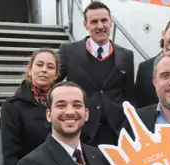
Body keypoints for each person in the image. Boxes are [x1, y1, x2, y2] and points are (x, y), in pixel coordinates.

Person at [54, 1, 136, 146]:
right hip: (81, 131)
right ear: (85, 24)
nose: (100, 26)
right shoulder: (69, 52)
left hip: (116, 133)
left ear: (111, 22)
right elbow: (50, 84)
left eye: (104, 20)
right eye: (94, 22)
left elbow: (129, 96)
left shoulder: (126, 56)